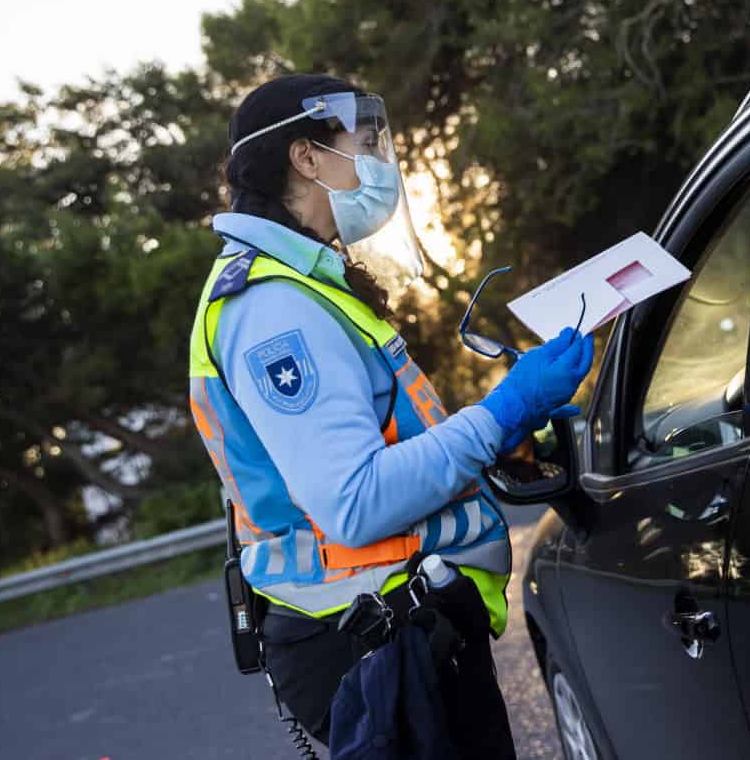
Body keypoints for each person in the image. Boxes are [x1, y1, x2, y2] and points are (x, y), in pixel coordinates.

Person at [186, 74, 594, 747]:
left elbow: (386, 440)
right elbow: (354, 499)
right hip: (370, 639)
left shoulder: (301, 282)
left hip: (394, 624)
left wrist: (508, 425)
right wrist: (500, 411)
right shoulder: (272, 308)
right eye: (366, 141)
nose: (380, 159)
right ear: (307, 157)